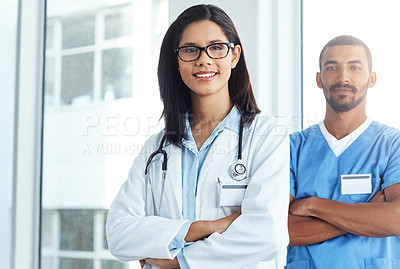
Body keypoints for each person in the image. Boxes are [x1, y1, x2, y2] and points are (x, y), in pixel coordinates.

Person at [106, 4, 289, 269]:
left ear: (234, 56)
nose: (203, 60)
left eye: (216, 48)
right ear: (177, 61)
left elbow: (267, 234)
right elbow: (119, 234)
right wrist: (205, 228)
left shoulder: (266, 136)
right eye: (190, 50)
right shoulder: (156, 147)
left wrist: (178, 260)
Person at [287, 35, 400, 268]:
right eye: (332, 67)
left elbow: (397, 219)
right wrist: (370, 213)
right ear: (319, 79)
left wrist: (313, 205)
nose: (343, 77)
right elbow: (275, 229)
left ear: (372, 79)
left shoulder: (392, 144)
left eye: (355, 67)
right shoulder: (292, 147)